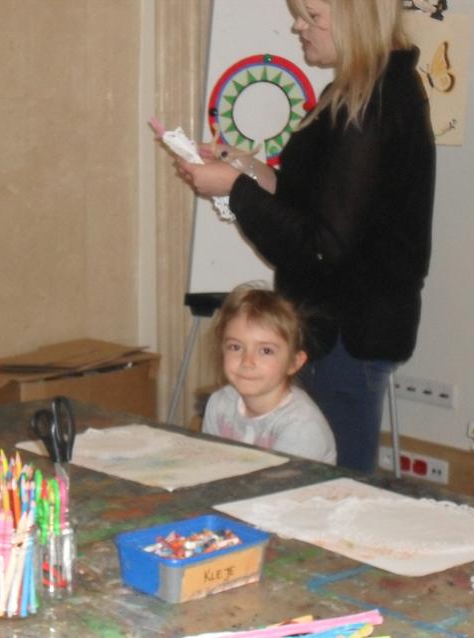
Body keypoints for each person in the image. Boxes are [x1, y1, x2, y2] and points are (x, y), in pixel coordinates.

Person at [177, 0, 435, 472]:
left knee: (333, 488)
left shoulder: (372, 102)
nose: (298, 26)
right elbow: (316, 202)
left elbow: (322, 245)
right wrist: (245, 168)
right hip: (334, 327)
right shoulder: (356, 90)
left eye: (312, 16)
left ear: (357, 17)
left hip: (348, 332)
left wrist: (235, 189)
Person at [202, 284, 337, 464]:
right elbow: (208, 466)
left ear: (294, 363)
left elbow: (281, 483)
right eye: (235, 347)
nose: (247, 361)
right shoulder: (219, 404)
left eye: (266, 351)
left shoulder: (302, 426)